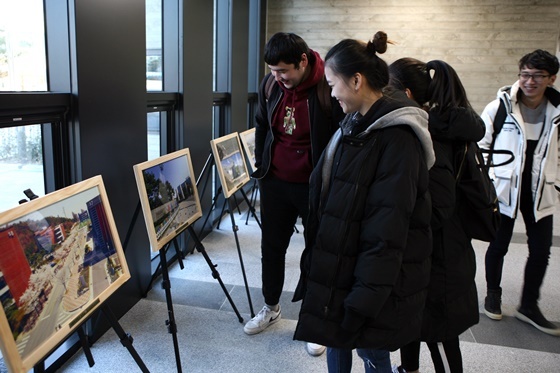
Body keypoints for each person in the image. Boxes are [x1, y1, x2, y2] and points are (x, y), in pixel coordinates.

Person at [292, 32, 435, 373]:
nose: (330, 92)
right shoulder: (353, 125)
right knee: (335, 341)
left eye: (332, 84)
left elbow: (387, 232)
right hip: (342, 266)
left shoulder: (397, 140)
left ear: (356, 80)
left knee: (372, 354)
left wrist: (363, 299)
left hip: (368, 281)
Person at [245, 32, 344, 357]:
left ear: (303, 61)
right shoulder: (270, 86)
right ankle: (271, 307)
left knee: (316, 252)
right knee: (271, 249)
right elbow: (262, 124)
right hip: (275, 183)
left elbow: (342, 137)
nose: (278, 78)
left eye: (283, 71)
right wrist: (261, 166)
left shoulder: (327, 88)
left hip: (314, 186)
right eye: (273, 71)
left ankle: (313, 322)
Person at [387, 58, 485, 372]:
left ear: (406, 93)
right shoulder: (434, 124)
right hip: (437, 252)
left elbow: (439, 205)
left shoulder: (431, 135)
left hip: (439, 256)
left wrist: (398, 221)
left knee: (438, 334)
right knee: (415, 324)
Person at [479, 49, 560, 336]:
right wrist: (488, 181)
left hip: (541, 190)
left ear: (551, 78)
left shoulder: (557, 111)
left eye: (538, 76)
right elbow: (480, 145)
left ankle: (529, 306)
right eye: (525, 74)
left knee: (541, 252)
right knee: (498, 245)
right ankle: (493, 294)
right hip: (503, 187)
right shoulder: (500, 106)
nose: (530, 81)